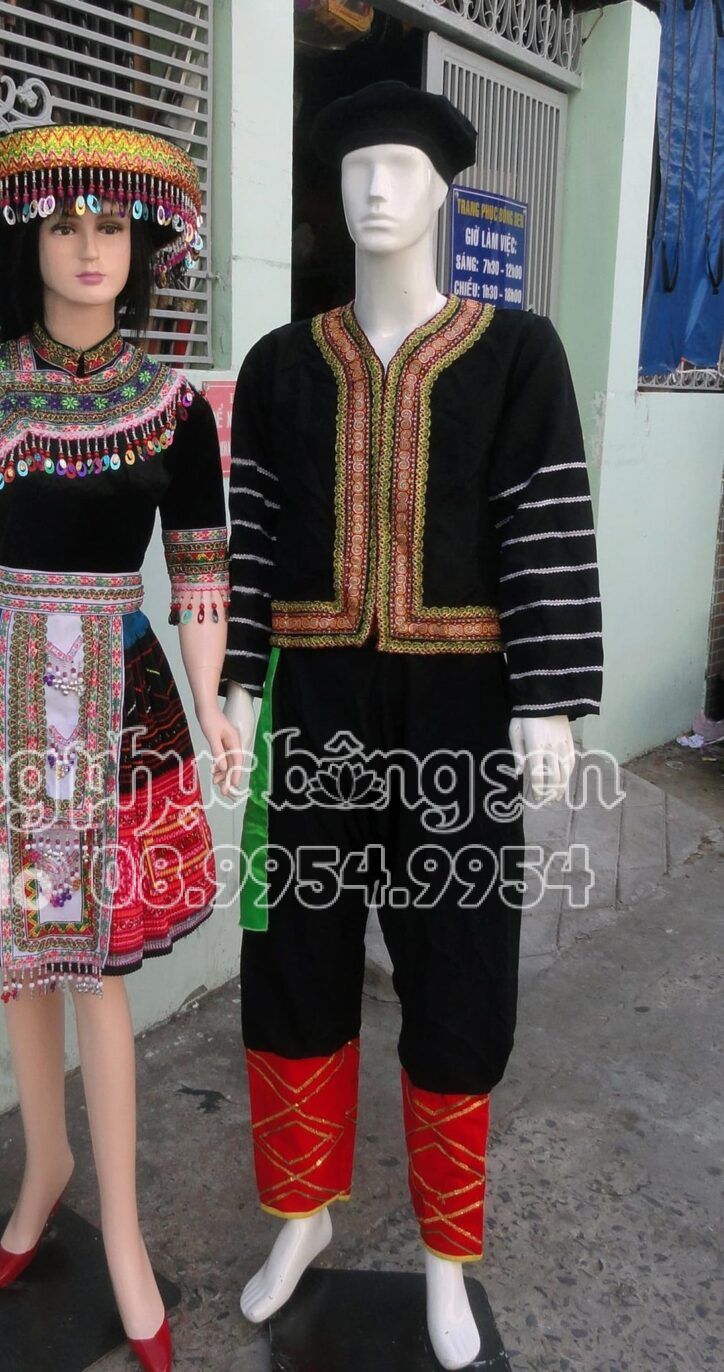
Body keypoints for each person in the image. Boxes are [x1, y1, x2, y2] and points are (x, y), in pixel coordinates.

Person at [221, 81, 603, 1369]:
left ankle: (447, 1252)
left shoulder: (514, 353)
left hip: (460, 707)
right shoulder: (281, 365)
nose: (373, 190)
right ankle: (302, 1214)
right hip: (313, 705)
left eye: (398, 167)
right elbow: (254, 534)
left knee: (456, 965)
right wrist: (237, 682)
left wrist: (545, 696)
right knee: (291, 958)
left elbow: (543, 524)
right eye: (351, 169)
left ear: (444, 190)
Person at [0, 122, 236, 1372]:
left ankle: (121, 1232)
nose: (90, 249)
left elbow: (199, 572)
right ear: (26, 242)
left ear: (140, 247)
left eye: (112, 227)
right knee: (25, 957)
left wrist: (211, 701)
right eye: (67, 226)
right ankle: (46, 1164)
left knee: (96, 969)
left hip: (119, 694)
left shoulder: (172, 405)